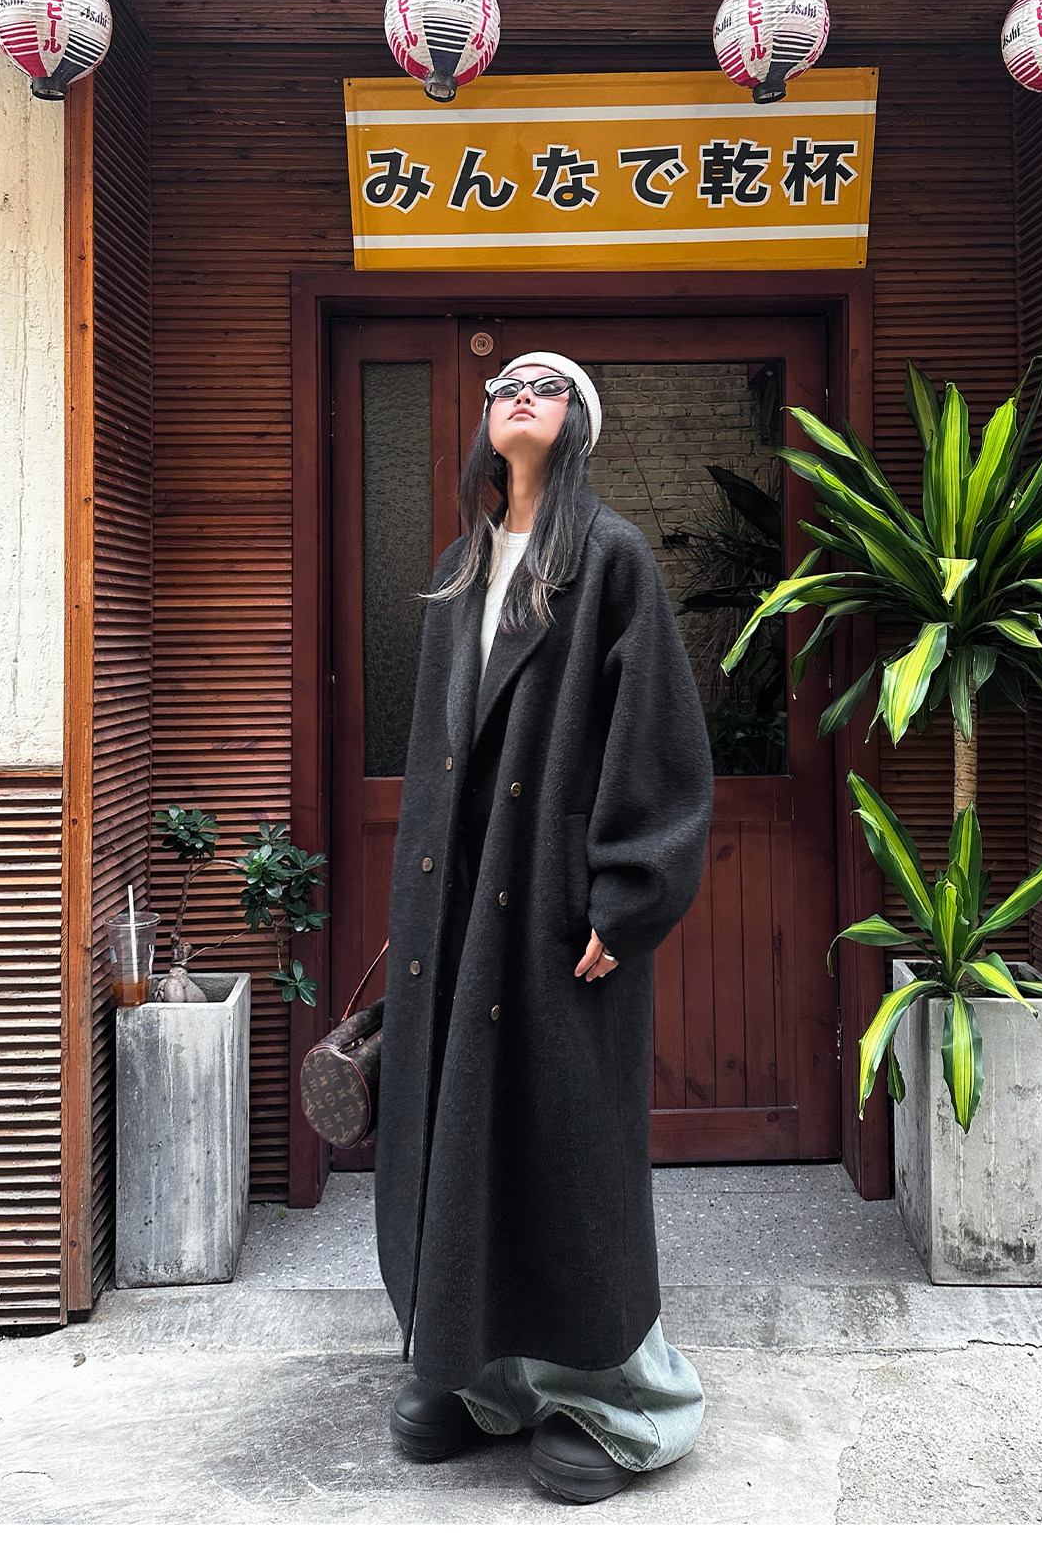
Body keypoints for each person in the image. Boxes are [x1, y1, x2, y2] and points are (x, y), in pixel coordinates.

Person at [373, 350, 715, 1503]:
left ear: (581, 425)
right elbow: (438, 756)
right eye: (506, 384)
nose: (522, 391)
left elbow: (659, 738)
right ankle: (478, 1372)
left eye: (550, 385)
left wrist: (627, 891)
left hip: (557, 906)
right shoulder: (458, 568)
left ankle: (623, 1401)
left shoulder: (609, 556)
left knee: (564, 1144)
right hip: (459, 905)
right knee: (458, 1126)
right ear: (486, 422)